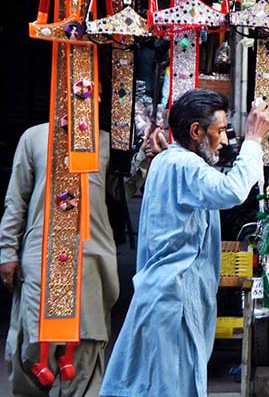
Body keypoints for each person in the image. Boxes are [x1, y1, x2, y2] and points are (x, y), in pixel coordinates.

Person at [100, 90, 269, 397]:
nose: (222, 140)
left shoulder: (171, 161)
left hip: (164, 299)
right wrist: (253, 141)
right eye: (218, 131)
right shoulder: (183, 165)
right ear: (196, 131)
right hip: (173, 302)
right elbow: (232, 190)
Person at [0, 121, 163, 397]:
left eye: (96, 92)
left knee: (87, 344)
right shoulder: (34, 138)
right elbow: (16, 199)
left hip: (91, 258)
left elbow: (120, 190)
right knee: (34, 341)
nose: (90, 95)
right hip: (41, 255)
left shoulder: (103, 141)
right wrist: (7, 252)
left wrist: (144, 160)